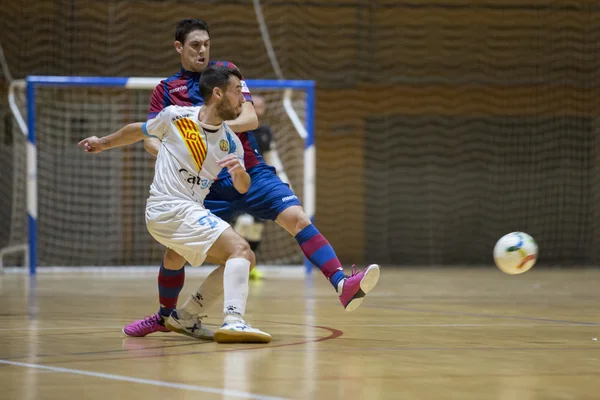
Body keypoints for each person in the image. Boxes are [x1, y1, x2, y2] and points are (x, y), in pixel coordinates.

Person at [123, 19, 380, 338]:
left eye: (206, 44)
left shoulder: (226, 73)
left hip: (248, 168)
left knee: (296, 217)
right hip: (205, 183)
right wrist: (174, 150)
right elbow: (150, 136)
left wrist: (213, 132)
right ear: (179, 47)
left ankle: (341, 283)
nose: (202, 50)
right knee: (176, 253)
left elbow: (250, 116)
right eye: (195, 45)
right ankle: (167, 316)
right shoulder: (166, 90)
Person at [78, 65, 271, 344]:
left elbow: (243, 187)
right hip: (167, 207)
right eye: (237, 92)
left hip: (188, 210)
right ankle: (234, 320)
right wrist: (102, 143)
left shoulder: (231, 142)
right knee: (241, 248)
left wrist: (240, 175)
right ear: (217, 93)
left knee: (239, 258)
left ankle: (181, 316)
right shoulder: (176, 116)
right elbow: (139, 131)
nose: (243, 100)